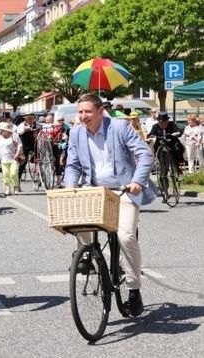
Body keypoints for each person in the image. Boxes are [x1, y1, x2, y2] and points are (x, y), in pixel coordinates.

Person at [64, 93, 158, 317]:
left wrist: (137, 181)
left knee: (125, 236)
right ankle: (87, 255)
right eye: (80, 112)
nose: (83, 116)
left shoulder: (119, 127)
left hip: (125, 188)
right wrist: (70, 186)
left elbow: (145, 155)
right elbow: (73, 164)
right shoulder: (76, 132)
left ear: (99, 111)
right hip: (94, 188)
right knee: (76, 221)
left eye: (87, 112)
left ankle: (134, 289)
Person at [17, 112, 38, 180]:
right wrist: (24, 129)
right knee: (23, 163)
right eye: (29, 118)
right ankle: (18, 180)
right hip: (24, 145)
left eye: (32, 118)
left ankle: (34, 159)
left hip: (34, 145)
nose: (31, 120)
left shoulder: (37, 125)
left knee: (39, 156)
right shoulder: (22, 125)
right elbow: (19, 132)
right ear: (26, 119)